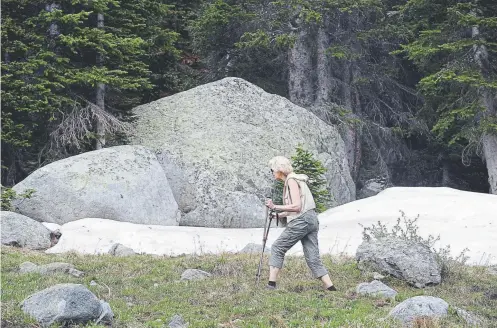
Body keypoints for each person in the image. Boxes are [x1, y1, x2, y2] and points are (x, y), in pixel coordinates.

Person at [264, 156, 336, 291]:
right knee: (312, 256)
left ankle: (271, 285)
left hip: (301, 220)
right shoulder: (297, 179)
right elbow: (298, 207)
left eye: (272, 170)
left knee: (277, 247)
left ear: (280, 169)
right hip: (311, 219)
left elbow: (296, 207)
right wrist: (278, 214)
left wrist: (275, 206)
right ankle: (330, 287)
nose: (272, 173)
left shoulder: (291, 180)